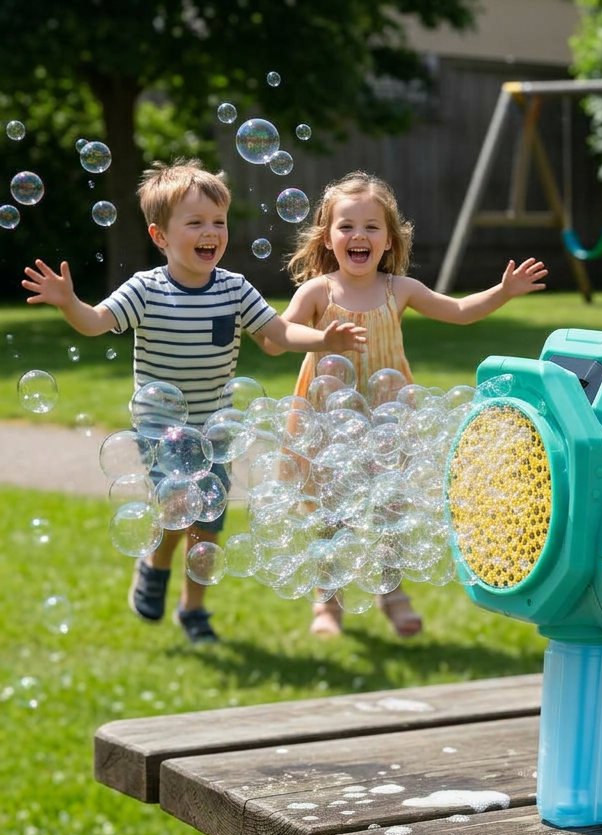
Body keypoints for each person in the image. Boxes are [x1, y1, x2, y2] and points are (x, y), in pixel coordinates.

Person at [21, 158, 368, 644]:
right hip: (160, 424)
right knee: (178, 503)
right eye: (196, 222)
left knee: (207, 519)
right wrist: (69, 303)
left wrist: (320, 340)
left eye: (219, 222)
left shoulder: (234, 289)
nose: (212, 232)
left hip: (216, 426)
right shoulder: (145, 289)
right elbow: (97, 322)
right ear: (160, 236)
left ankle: (193, 608)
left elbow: (277, 331)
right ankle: (155, 564)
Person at [282, 170, 547, 638]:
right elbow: (280, 335)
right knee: (329, 513)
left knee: (389, 509)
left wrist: (502, 293)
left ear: (388, 240)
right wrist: (322, 337)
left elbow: (459, 311)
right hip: (327, 417)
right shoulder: (317, 292)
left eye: (370, 227)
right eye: (346, 226)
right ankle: (327, 602)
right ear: (327, 236)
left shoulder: (398, 289)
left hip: (387, 416)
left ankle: (392, 592)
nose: (358, 235)